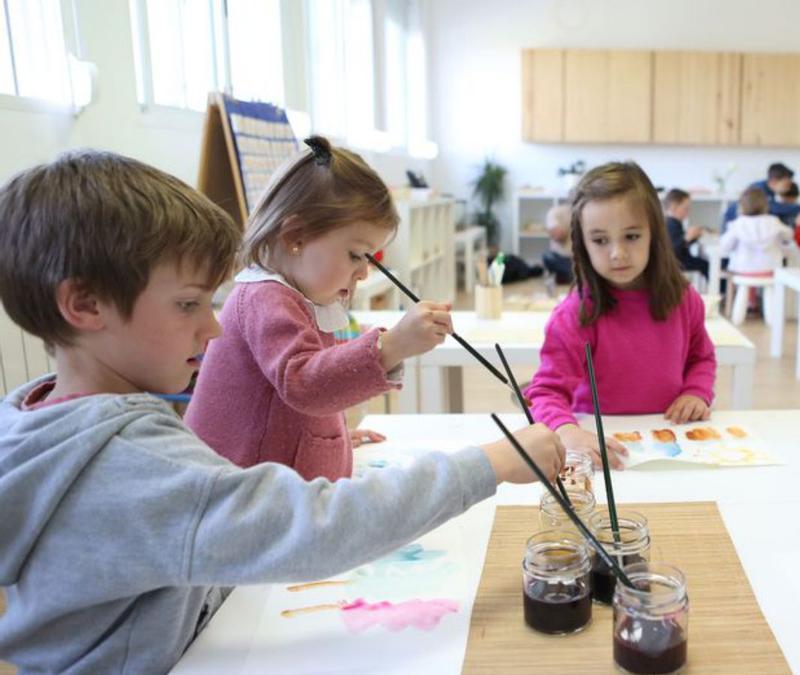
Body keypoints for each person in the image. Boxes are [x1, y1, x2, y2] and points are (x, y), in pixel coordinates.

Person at [0, 149, 565, 673]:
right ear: (85, 305)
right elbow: (317, 527)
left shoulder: (40, 420)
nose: (215, 327)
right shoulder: (127, 462)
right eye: (189, 304)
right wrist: (491, 463)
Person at [186, 137, 451, 481]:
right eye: (356, 255)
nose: (364, 271)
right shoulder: (264, 298)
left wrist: (333, 435)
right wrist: (393, 345)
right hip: (247, 496)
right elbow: (304, 383)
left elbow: (306, 386)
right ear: (295, 236)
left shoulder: (297, 295)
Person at [526, 162, 718, 468]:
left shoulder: (684, 299)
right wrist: (567, 432)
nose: (617, 253)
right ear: (582, 244)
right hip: (600, 451)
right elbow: (546, 392)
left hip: (668, 446)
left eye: (631, 236)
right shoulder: (575, 313)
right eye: (600, 240)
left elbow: (702, 358)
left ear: (654, 234)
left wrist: (697, 391)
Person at [722, 162, 800, 229]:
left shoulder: (769, 190)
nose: (788, 188)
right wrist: (799, 207)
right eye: (786, 184)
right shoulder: (759, 190)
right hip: (734, 222)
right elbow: (772, 208)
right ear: (774, 181)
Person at [664, 188, 708, 279]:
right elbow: (673, 250)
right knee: (705, 265)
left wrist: (693, 237)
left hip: (681, 259)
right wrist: (686, 238)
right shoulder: (671, 224)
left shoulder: (674, 223)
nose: (687, 212)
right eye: (685, 209)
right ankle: (720, 290)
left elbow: (681, 244)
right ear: (674, 207)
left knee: (703, 263)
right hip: (677, 262)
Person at [542, 204, 574, 284]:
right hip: (562, 258)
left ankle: (572, 276)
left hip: (580, 259)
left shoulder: (586, 212)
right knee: (548, 256)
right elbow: (558, 235)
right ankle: (573, 276)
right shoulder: (555, 213)